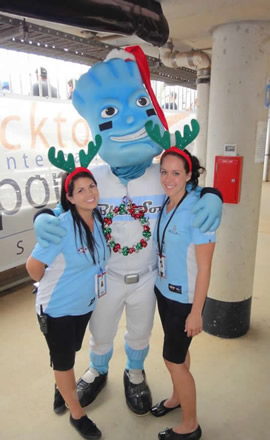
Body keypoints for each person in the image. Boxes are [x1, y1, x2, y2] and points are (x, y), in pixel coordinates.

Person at [34, 45, 222, 416]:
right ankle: (97, 370)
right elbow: (66, 202)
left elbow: (190, 186)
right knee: (101, 331)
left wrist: (212, 195)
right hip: (105, 277)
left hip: (149, 277)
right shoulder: (96, 178)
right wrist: (44, 216)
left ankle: (134, 373)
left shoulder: (160, 173)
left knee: (139, 331)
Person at [26, 152, 109, 440]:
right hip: (57, 309)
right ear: (69, 197)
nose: (89, 193)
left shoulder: (97, 219)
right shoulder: (61, 226)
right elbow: (33, 269)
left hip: (84, 305)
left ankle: (60, 386)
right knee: (65, 362)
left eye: (92, 186)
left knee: (68, 353)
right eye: (80, 190)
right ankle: (78, 415)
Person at [150, 144, 216, 440]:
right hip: (164, 292)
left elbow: (204, 268)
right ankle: (177, 397)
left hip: (184, 300)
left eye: (176, 173)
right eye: (164, 172)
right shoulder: (166, 203)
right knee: (179, 355)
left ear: (189, 175)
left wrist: (196, 313)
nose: (168, 178)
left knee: (173, 360)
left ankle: (190, 426)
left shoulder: (199, 209)